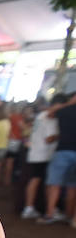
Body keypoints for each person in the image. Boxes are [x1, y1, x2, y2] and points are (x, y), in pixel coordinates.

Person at [21, 97, 61, 219]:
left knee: (35, 180)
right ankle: (46, 209)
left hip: (36, 152)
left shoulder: (41, 116)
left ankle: (30, 207)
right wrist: (62, 135)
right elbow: (49, 139)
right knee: (43, 182)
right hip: (44, 154)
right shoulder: (50, 120)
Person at [41, 93, 76, 224]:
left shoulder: (64, 110)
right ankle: (69, 216)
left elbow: (49, 114)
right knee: (72, 187)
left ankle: (50, 214)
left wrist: (69, 103)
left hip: (62, 150)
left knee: (54, 184)